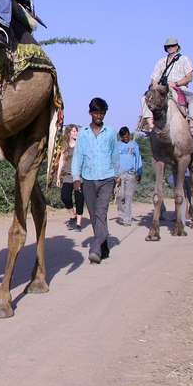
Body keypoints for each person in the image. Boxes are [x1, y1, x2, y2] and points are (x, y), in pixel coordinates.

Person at [72, 98, 119, 264]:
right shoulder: (83, 133)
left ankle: (94, 248)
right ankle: (103, 246)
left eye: (102, 112)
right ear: (90, 113)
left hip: (107, 178)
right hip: (88, 180)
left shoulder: (111, 133)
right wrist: (76, 178)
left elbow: (115, 155)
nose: (99, 115)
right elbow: (77, 156)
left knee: (101, 212)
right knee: (94, 215)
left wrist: (117, 175)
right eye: (96, 112)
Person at [140, 37, 193, 138]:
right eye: (168, 46)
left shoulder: (184, 59)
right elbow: (154, 79)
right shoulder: (161, 61)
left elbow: (189, 77)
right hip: (162, 88)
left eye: (172, 46)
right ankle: (150, 125)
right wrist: (156, 86)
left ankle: (191, 125)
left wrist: (176, 83)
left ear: (177, 47)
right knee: (144, 98)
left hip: (180, 87)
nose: (170, 48)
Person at [55, 124, 85, 230]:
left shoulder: (81, 145)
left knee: (79, 199)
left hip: (80, 176)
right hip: (68, 176)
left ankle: (78, 223)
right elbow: (61, 162)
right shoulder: (65, 145)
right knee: (65, 196)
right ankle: (73, 216)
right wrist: (58, 177)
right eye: (73, 131)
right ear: (69, 133)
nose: (75, 133)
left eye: (76, 131)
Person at [115, 126, 142, 225]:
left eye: (127, 136)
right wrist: (115, 175)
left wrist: (139, 172)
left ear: (129, 134)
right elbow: (114, 160)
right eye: (124, 137)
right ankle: (122, 214)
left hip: (130, 174)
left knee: (128, 197)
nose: (126, 138)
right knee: (120, 196)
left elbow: (138, 159)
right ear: (121, 137)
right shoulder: (117, 145)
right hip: (120, 175)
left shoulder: (134, 145)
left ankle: (127, 219)